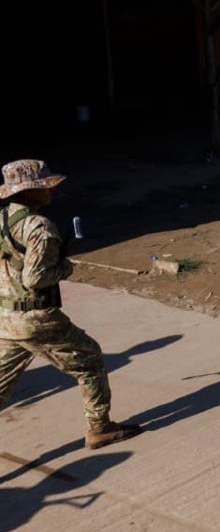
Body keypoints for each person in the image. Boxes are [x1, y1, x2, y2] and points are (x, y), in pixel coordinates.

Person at [0, 159, 142, 449]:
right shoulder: (39, 226)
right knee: (90, 360)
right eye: (45, 187)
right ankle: (99, 428)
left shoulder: (2, 218)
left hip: (7, 317)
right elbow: (36, 278)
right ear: (28, 192)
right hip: (38, 319)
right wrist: (65, 268)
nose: (51, 192)